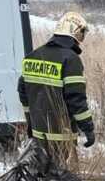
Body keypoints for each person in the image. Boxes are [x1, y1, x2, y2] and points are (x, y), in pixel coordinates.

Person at [18, 12, 95, 170]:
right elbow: (76, 99)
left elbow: (24, 95)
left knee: (42, 177)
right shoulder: (70, 59)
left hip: (38, 133)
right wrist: (88, 128)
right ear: (74, 32)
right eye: (81, 34)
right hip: (62, 136)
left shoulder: (32, 56)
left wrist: (30, 123)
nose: (81, 39)